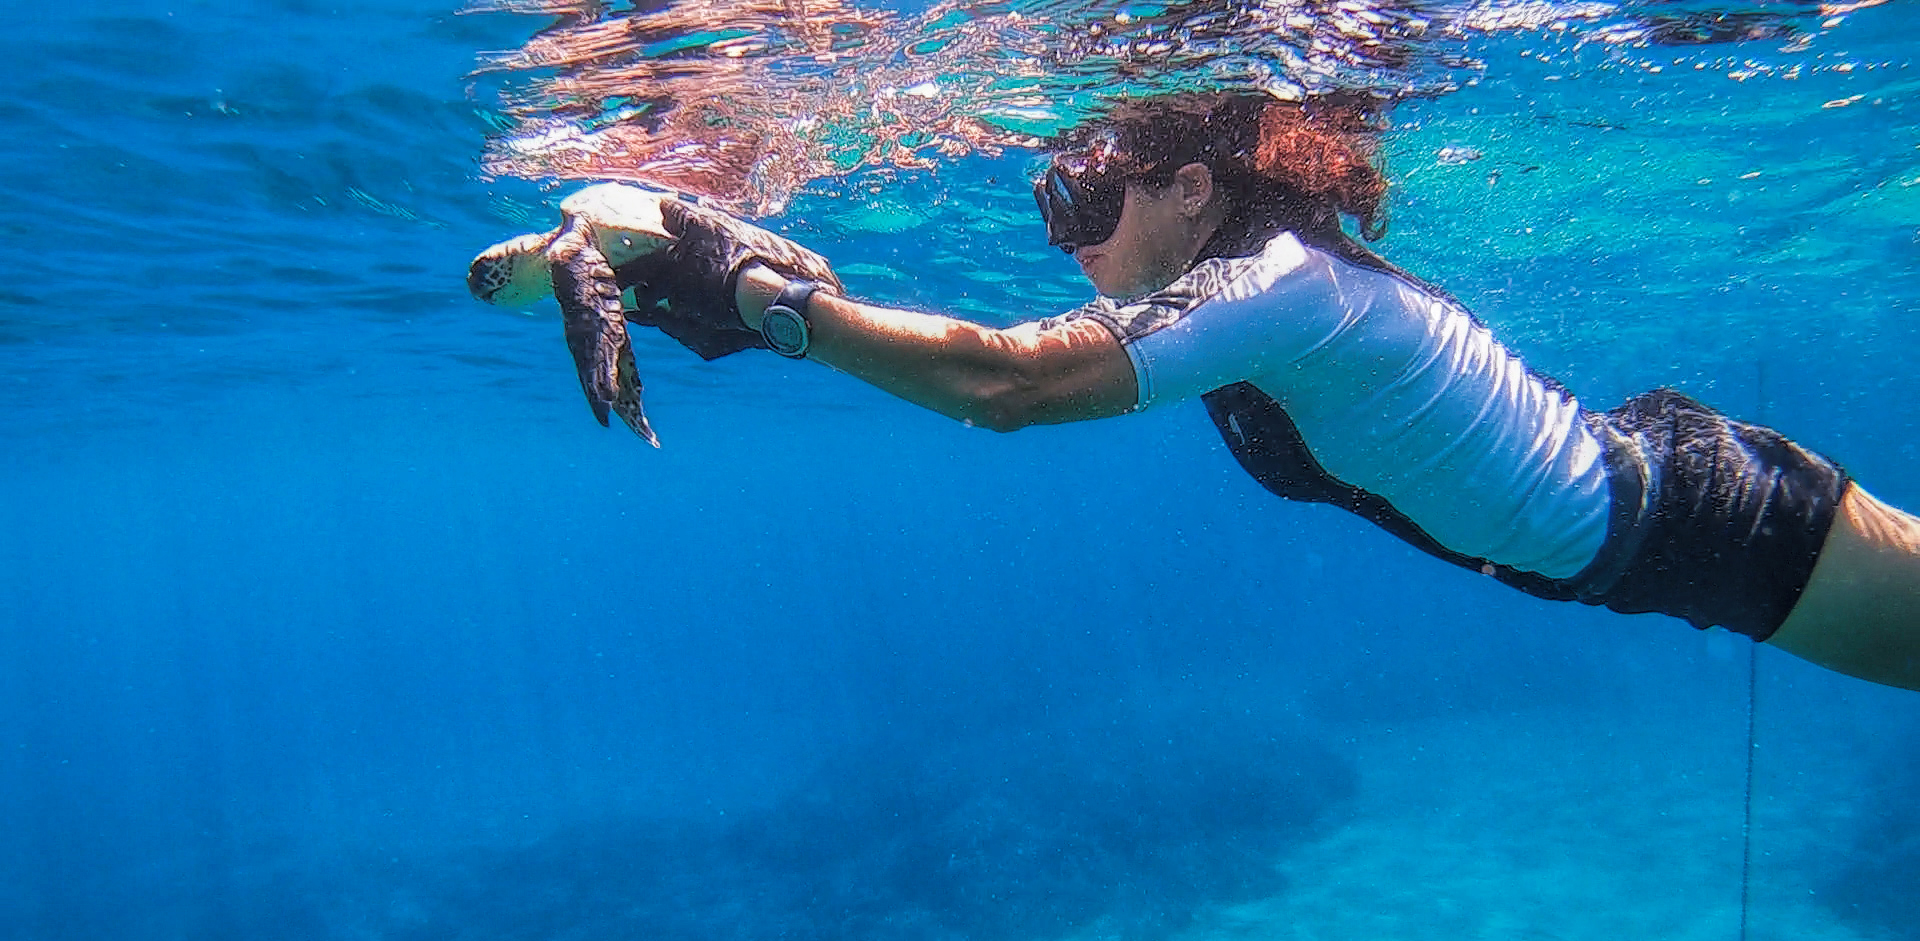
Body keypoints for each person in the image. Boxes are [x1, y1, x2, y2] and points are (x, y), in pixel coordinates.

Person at [617, 92, 1920, 691]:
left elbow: (996, 385)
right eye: (1047, 202)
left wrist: (773, 309)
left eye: (1083, 196)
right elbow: (998, 352)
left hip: (1709, 525)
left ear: (1193, 194)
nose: (1064, 234)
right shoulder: (1227, 303)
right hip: (1634, 508)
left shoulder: (1281, 290)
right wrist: (803, 293)